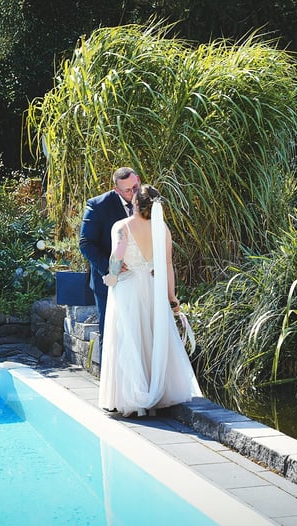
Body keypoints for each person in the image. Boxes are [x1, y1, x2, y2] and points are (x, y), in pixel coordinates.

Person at [98, 185, 202, 417]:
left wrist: (111, 277)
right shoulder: (162, 228)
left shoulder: (122, 226)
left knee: (130, 338)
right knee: (153, 336)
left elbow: (117, 255)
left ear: (135, 203)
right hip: (153, 288)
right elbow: (167, 264)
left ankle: (131, 396)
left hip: (128, 287)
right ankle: (160, 391)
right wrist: (171, 297)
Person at [79, 167, 140, 351]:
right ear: (116, 190)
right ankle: (110, 378)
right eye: (128, 190)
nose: (133, 193)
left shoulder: (148, 200)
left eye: (135, 187)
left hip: (140, 280)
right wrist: (110, 267)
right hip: (109, 282)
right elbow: (86, 243)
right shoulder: (98, 206)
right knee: (112, 333)